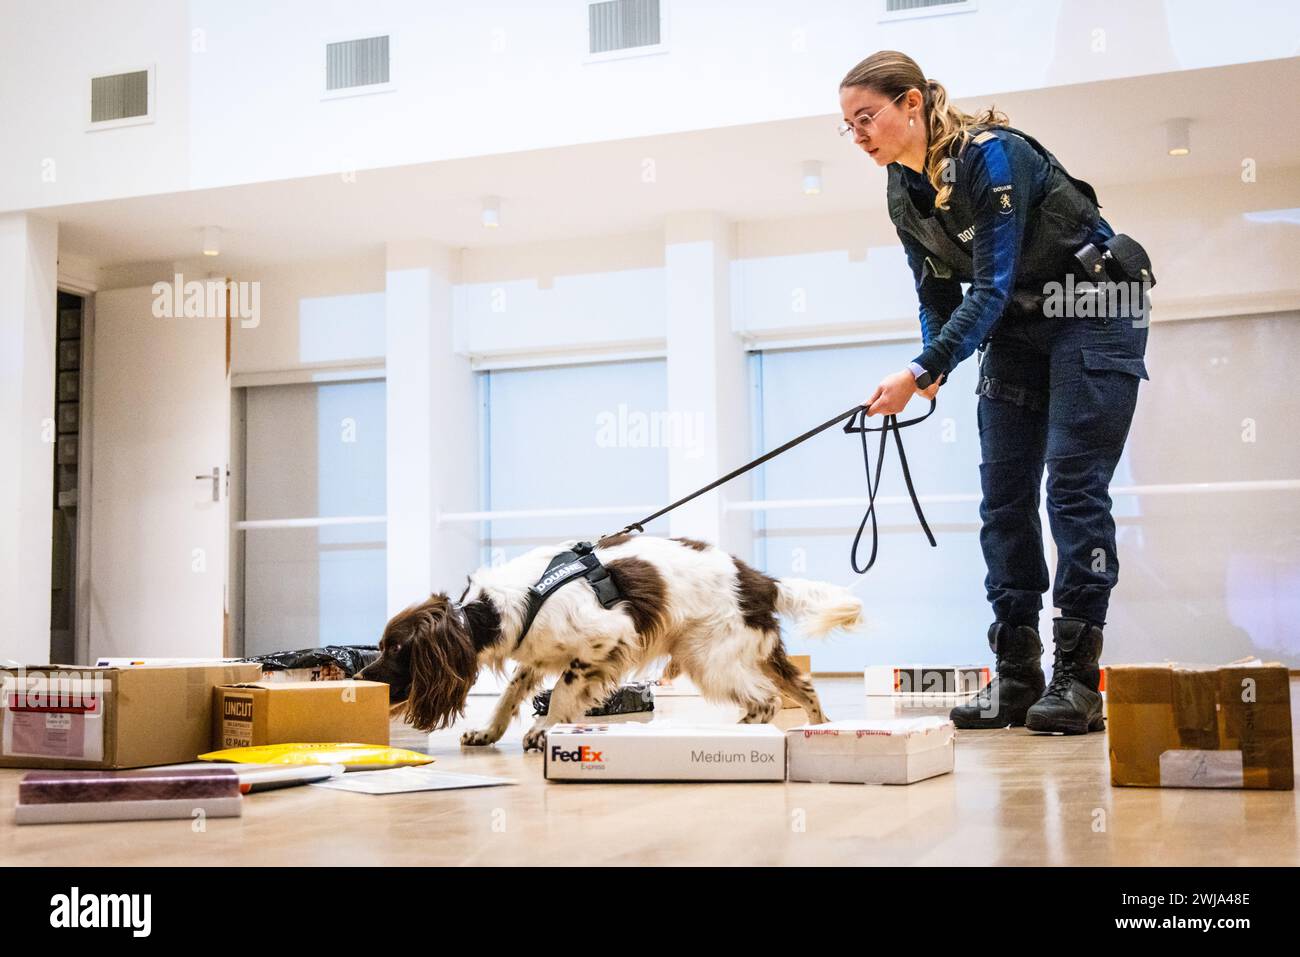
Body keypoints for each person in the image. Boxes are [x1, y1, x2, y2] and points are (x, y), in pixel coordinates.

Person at [841, 51, 1153, 734]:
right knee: (1003, 498)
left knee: (1070, 488)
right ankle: (1017, 676)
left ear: (913, 103)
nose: (858, 134)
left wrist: (923, 367)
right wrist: (937, 362)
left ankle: (1077, 681)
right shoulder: (903, 189)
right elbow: (935, 292)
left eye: (867, 117)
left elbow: (988, 283)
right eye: (849, 126)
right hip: (1018, 327)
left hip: (1096, 308)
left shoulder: (993, 157)